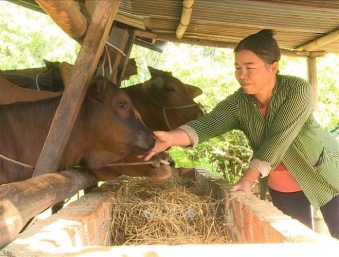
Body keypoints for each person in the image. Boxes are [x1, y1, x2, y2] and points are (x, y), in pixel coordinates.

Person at [143, 29, 339, 239]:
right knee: (297, 243)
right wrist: (171, 138)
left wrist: (247, 179)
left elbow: (279, 138)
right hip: (282, 184)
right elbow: (208, 124)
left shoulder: (297, 89)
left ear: (273, 67)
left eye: (249, 67)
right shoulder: (239, 103)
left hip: (324, 173)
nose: (241, 75)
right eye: (237, 67)